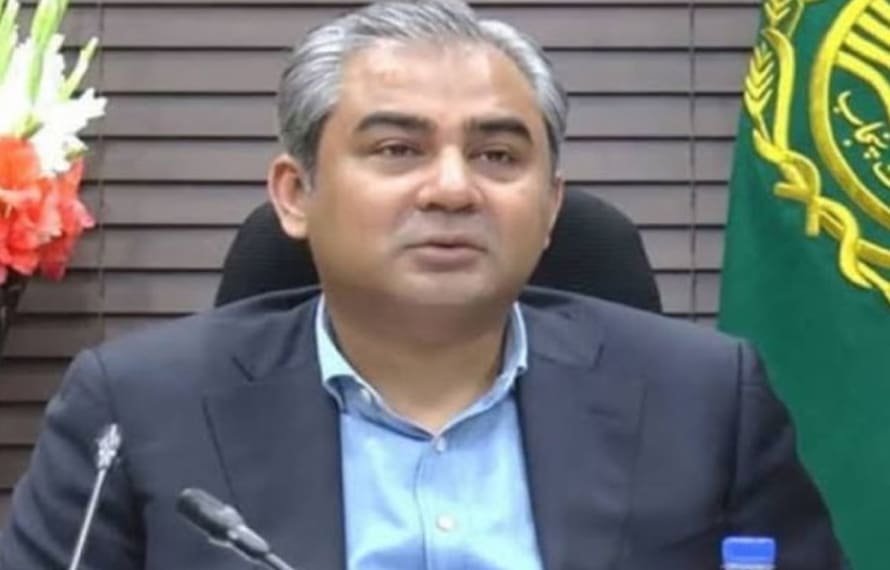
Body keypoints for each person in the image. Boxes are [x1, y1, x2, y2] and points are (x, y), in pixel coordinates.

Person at [0, 1, 846, 568]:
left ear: (551, 207)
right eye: (397, 149)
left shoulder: (707, 399)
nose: (452, 188)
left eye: (497, 155)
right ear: (296, 195)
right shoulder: (138, 407)